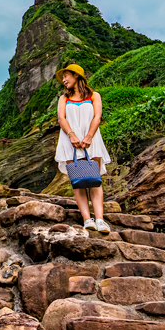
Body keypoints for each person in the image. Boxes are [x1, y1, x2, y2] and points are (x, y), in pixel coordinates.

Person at [54, 63, 112, 234]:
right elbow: (61, 118)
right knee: (78, 182)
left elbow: (97, 116)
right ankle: (87, 219)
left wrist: (88, 137)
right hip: (69, 140)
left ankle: (100, 219)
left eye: (66, 76)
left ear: (76, 75)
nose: (64, 80)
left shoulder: (94, 95)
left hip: (91, 140)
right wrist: (72, 135)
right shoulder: (64, 98)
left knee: (95, 179)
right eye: (63, 77)